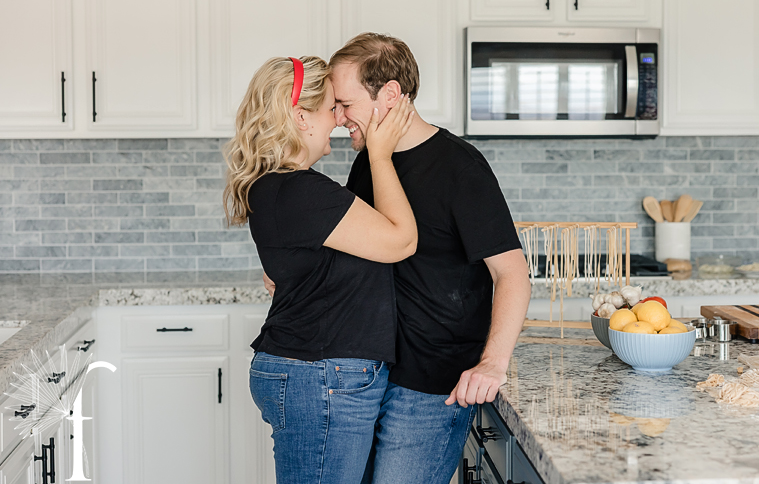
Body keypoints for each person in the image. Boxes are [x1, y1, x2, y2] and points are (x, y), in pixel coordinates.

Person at [332, 33, 531, 484]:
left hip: (433, 383)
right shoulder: (366, 163)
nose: (337, 118)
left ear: (389, 94)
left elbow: (512, 273)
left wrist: (493, 362)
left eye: (345, 104)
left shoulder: (460, 167)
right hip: (369, 374)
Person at [223, 55, 417, 484]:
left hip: (312, 371)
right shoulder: (301, 190)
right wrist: (380, 155)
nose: (339, 118)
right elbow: (401, 241)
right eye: (331, 107)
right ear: (299, 117)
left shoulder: (279, 186)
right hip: (322, 376)